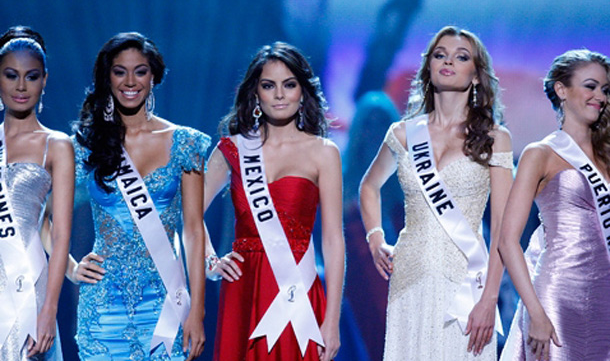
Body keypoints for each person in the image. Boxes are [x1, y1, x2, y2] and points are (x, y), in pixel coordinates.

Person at [359, 26, 513, 360]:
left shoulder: (495, 137)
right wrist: (375, 237)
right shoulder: (402, 133)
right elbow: (368, 186)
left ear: (476, 75)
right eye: (440, 55)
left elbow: (503, 225)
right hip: (409, 279)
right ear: (429, 67)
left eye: (461, 57)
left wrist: (489, 300)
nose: (448, 61)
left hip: (466, 285)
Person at [67, 32, 208, 360]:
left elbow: (193, 231)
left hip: (166, 302)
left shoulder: (184, 143)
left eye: (140, 71)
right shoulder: (86, 146)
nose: (130, 81)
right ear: (108, 77)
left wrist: (198, 311)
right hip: (102, 307)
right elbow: (45, 216)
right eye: (119, 71)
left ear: (154, 75)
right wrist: (71, 269)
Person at [203, 42, 344, 361]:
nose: (280, 94)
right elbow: (188, 213)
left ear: (302, 92)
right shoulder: (233, 149)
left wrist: (332, 321)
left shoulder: (323, 152)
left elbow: (334, 240)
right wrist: (210, 261)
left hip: (299, 291)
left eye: (289, 84)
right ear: (255, 94)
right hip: (244, 288)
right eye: (269, 85)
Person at [499, 50, 610, 361]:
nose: (599, 96)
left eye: (605, 89)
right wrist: (536, 313)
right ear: (562, 89)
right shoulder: (540, 154)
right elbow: (508, 242)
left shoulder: (608, 156)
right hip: (558, 298)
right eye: (590, 86)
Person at [0, 26, 73, 360]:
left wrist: (48, 311)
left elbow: (60, 237)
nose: (20, 86)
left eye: (30, 77)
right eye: (11, 75)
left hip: (28, 282)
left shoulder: (56, 145)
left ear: (44, 79)